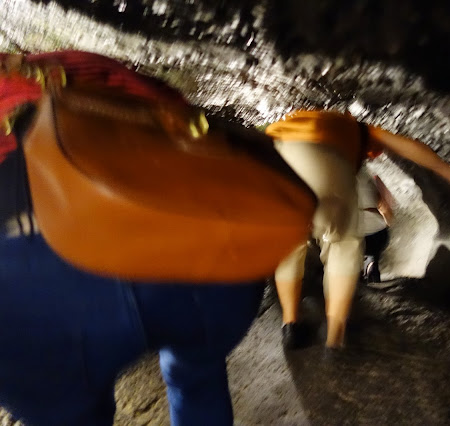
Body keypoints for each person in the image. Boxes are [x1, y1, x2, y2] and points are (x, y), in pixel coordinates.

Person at [0, 51, 266, 426]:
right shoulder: (72, 66)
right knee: (197, 377)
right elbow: (191, 127)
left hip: (27, 286)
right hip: (186, 253)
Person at [265, 110, 450, 350]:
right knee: (343, 244)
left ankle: (290, 323)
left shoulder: (295, 120)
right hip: (323, 161)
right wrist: (447, 170)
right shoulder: (359, 130)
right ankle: (334, 333)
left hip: (273, 161)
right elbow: (405, 146)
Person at [357, 170, 393, 284]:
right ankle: (372, 263)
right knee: (373, 248)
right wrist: (386, 225)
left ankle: (359, 271)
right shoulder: (373, 176)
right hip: (379, 235)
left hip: (356, 236)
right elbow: (386, 208)